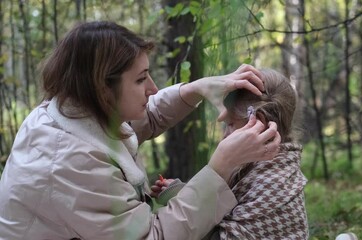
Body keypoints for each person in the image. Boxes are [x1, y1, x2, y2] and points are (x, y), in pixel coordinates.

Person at [0, 21, 282, 240]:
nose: (153, 88)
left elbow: (144, 117)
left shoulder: (73, 110)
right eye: (140, 79)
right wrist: (221, 167)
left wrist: (195, 89)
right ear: (103, 89)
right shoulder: (69, 161)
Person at [204, 69, 309, 240]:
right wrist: (181, 193)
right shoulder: (253, 168)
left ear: (258, 123)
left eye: (230, 124)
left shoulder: (273, 181)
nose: (224, 136)